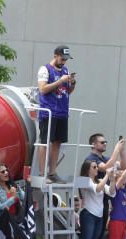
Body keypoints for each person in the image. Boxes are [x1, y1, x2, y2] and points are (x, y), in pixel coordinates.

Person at [36, 46, 76, 183]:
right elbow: (42, 89)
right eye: (62, 58)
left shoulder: (65, 70)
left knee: (57, 142)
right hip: (49, 111)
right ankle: (42, 173)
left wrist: (72, 84)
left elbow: (67, 92)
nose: (64, 62)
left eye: (66, 59)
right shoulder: (45, 69)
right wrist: (60, 81)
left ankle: (52, 173)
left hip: (62, 112)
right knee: (45, 142)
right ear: (55, 56)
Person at [76, 161, 116, 239]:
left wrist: (112, 180)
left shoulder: (99, 181)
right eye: (94, 167)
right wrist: (107, 175)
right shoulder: (82, 180)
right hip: (88, 214)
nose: (97, 169)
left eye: (96, 167)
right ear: (87, 169)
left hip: (99, 216)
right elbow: (97, 188)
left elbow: (111, 192)